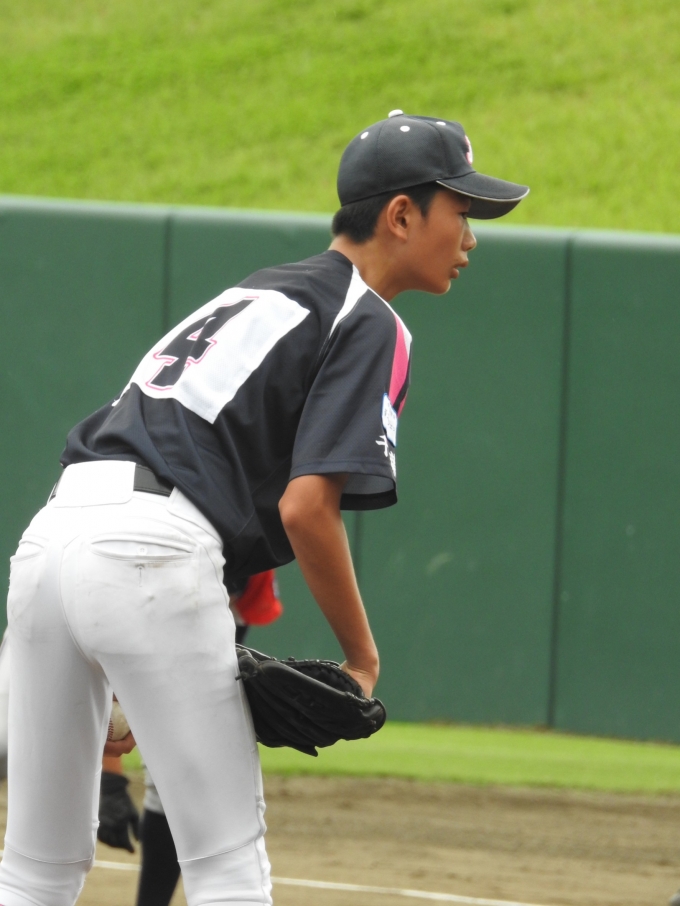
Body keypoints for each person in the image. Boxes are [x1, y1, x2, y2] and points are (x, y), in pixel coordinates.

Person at [0, 110, 528, 906]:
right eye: (462, 210)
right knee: (227, 867)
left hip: (51, 542)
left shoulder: (258, 290)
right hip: (151, 552)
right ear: (401, 215)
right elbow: (307, 507)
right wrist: (361, 661)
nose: (472, 237)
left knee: (34, 868)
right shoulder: (370, 319)